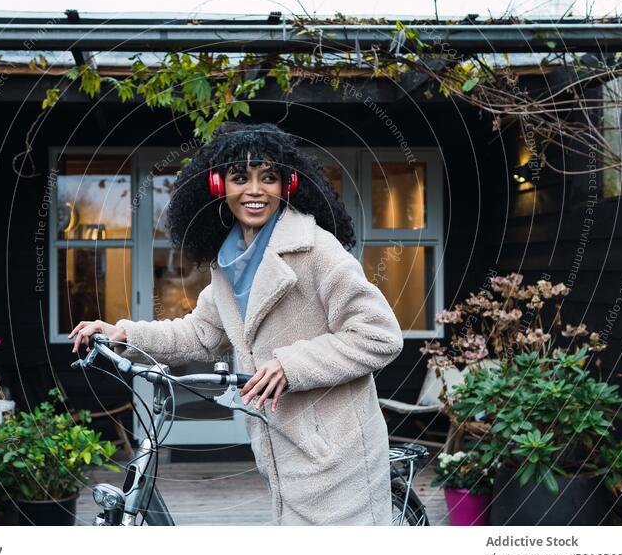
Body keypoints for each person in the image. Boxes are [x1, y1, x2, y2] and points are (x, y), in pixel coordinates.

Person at [68, 121, 404, 525]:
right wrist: (124, 333)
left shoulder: (316, 250)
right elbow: (201, 334)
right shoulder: (228, 263)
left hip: (336, 451)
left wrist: (289, 365)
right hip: (283, 449)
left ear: (288, 185)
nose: (255, 190)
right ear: (217, 186)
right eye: (240, 177)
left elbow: (380, 334)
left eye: (269, 177)